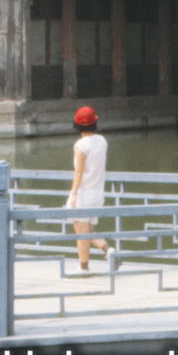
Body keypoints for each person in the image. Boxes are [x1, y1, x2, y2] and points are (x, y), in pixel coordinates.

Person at [67, 106, 115, 273]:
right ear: (95, 123)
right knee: (88, 230)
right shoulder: (102, 141)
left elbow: (79, 172)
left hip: (83, 193)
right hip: (97, 193)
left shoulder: (81, 145)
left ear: (77, 125)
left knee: (81, 233)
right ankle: (109, 250)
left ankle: (83, 268)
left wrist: (73, 195)